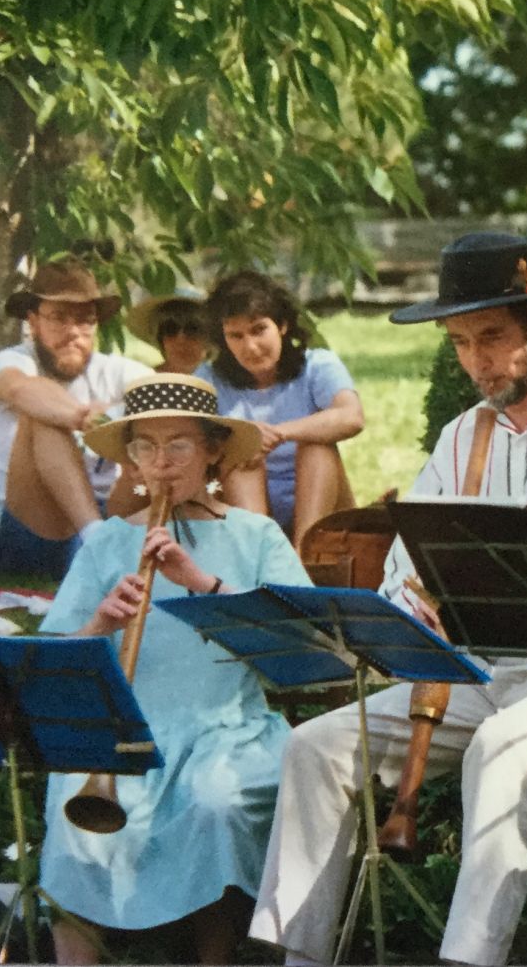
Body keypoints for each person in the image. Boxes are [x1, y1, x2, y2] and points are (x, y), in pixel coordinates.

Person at [248, 232, 527, 967]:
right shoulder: (464, 436)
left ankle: (468, 958)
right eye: (460, 342)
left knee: (502, 747)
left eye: (490, 337)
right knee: (316, 745)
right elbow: (404, 567)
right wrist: (413, 601)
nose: (475, 361)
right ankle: (294, 957)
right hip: (477, 673)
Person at [39, 374, 311, 965]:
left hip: (226, 729)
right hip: (123, 733)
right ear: (131, 460)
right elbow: (50, 666)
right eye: (145, 447)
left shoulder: (256, 536)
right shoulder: (108, 541)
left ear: (213, 450)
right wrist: (99, 628)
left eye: (179, 445)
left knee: (218, 803)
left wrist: (201, 583)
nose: (160, 463)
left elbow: (301, 649)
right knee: (71, 810)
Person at [0, 259, 153, 579]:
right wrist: (86, 418)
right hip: (33, 523)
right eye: (59, 318)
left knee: (160, 433)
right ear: (33, 322)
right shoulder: (13, 360)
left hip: (109, 508)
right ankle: (96, 541)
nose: (73, 331)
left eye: (84, 320)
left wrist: (119, 420)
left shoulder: (113, 369)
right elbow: (21, 390)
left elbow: (164, 392)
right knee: (42, 419)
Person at [197, 271, 363, 547]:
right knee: (242, 454)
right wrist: (246, 440)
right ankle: (261, 554)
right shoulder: (209, 378)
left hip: (321, 509)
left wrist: (280, 433)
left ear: (282, 325)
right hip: (243, 505)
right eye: (235, 335)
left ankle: (301, 559)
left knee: (316, 447)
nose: (249, 346)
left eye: (259, 329)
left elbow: (352, 416)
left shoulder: (317, 364)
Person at [126, 286, 211, 376]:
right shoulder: (143, 380)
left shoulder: (222, 383)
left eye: (193, 329)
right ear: (160, 338)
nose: (180, 339)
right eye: (170, 329)